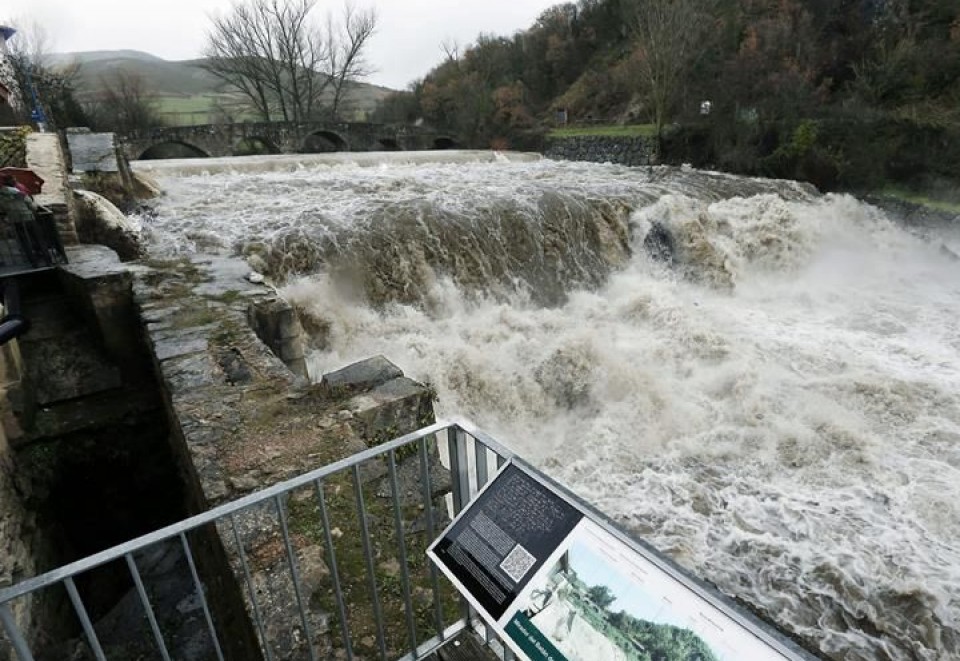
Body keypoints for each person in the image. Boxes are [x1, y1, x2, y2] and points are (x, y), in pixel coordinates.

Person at [0, 175, 49, 267]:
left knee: (24, 242)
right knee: (38, 238)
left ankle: (33, 262)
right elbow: (33, 207)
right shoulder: (20, 194)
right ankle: (47, 260)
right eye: (14, 180)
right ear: (12, 182)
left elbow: (2, 209)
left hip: (15, 220)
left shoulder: (1, 196)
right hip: (28, 218)